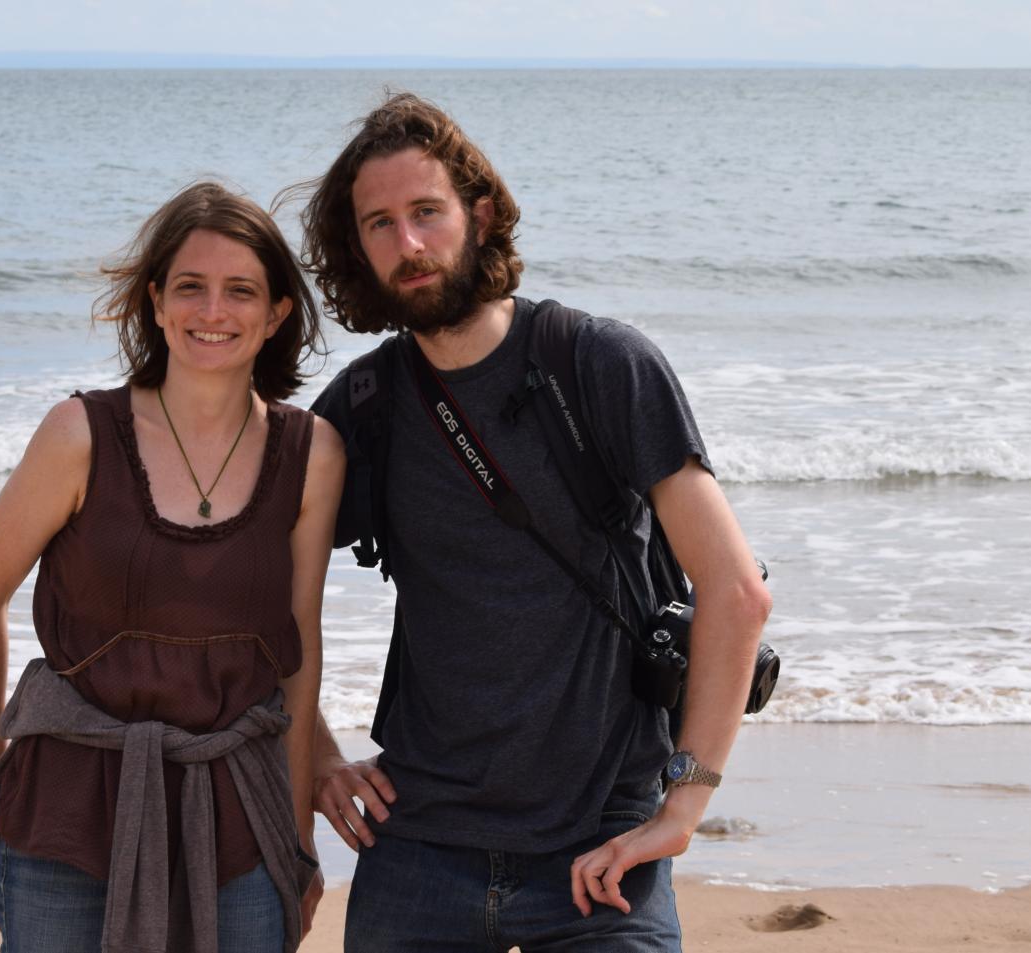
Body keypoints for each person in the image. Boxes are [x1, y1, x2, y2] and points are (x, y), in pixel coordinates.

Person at [299, 93, 773, 952]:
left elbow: (737, 591)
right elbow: (255, 597)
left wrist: (685, 805)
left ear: (479, 213)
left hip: (601, 849)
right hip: (420, 846)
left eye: (426, 212)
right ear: (356, 248)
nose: (406, 244)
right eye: (378, 224)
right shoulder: (361, 410)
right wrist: (317, 755)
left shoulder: (598, 364)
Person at [0, 181, 343, 953]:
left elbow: (300, 655)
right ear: (156, 303)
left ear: (278, 312)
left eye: (240, 291)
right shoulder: (78, 433)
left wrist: (299, 838)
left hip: (238, 815)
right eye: (190, 287)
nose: (212, 311)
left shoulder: (312, 452)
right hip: (66, 809)